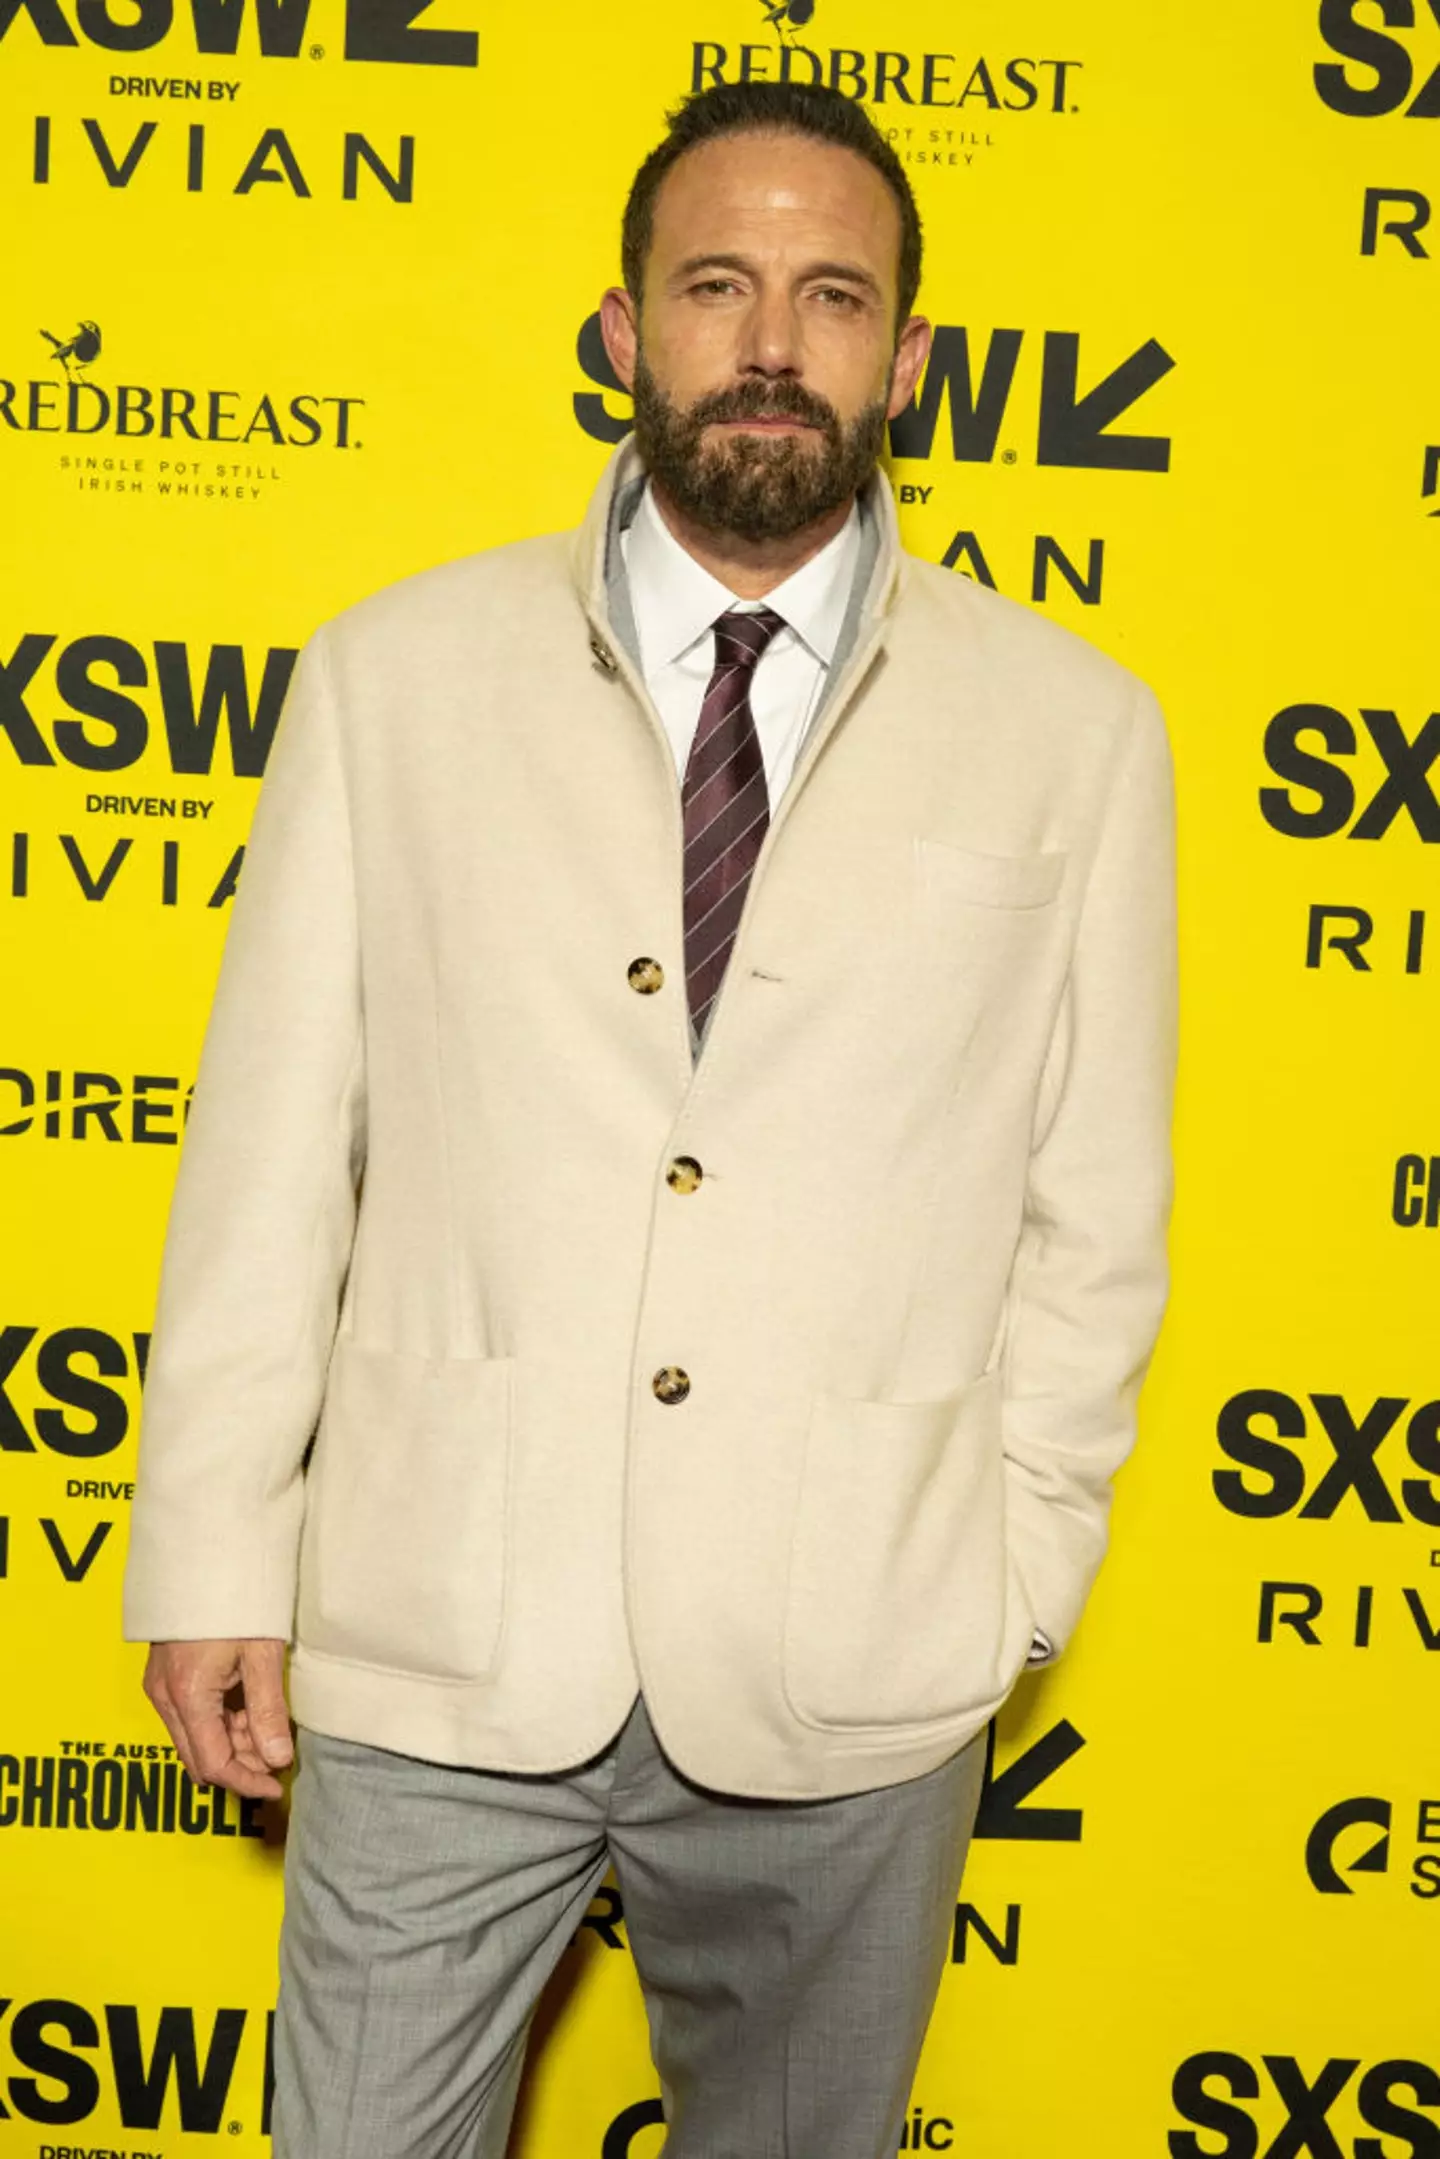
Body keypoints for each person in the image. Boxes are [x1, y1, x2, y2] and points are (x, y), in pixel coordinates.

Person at [123, 77, 1177, 2159]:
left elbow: (1096, 1206)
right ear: (623, 327)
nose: (772, 342)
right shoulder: (388, 678)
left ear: (913, 357)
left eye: (832, 295)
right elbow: (270, 1152)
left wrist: (1009, 1579)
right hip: (437, 1627)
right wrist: (213, 1541)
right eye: (717, 285)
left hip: (854, 1656)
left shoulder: (1076, 726)